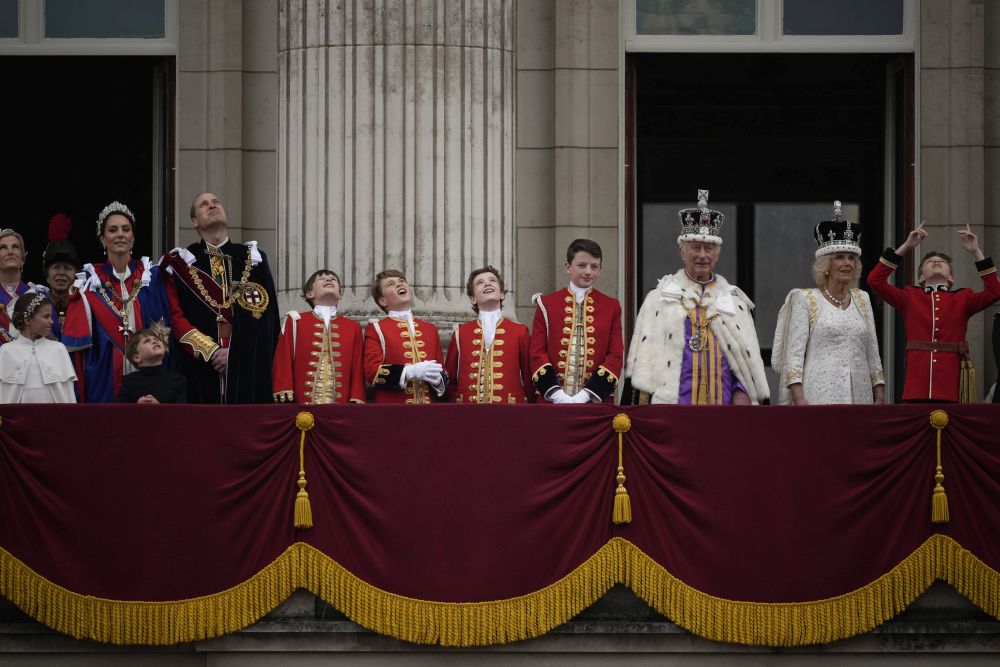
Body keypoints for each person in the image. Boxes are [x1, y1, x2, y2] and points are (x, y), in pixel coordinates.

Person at [622, 190, 769, 405]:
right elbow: (643, 363)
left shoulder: (735, 303)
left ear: (717, 254)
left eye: (708, 248)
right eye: (695, 248)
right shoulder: (658, 299)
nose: (702, 255)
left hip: (724, 410)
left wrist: (743, 392)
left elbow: (746, 362)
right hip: (672, 409)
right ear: (682, 252)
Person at [160, 192, 280, 403]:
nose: (212, 205)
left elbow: (267, 319)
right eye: (203, 204)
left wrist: (235, 354)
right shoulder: (182, 263)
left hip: (247, 369)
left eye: (216, 202)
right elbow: (175, 317)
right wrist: (212, 352)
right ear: (194, 221)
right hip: (200, 369)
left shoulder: (253, 258)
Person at [867, 220, 1000, 403]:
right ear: (921, 277)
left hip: (951, 387)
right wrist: (906, 247)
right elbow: (875, 281)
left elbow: (995, 291)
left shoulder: (964, 298)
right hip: (916, 388)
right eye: (930, 261)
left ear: (951, 277)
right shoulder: (909, 297)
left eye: (942, 262)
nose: (937, 261)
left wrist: (976, 252)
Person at [62, 202, 178, 403]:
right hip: (105, 374)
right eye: (112, 230)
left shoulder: (152, 277)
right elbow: (78, 350)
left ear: (133, 238)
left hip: (149, 373)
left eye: (126, 229)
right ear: (103, 239)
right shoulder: (90, 284)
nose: (120, 234)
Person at [772, 202, 885, 405]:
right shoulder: (805, 299)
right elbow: (794, 356)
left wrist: (879, 392)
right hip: (818, 396)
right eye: (840, 257)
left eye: (851, 258)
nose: (847, 263)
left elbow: (872, 350)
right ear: (825, 265)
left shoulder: (862, 299)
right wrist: (799, 399)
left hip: (860, 397)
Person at [529, 239, 623, 404]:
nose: (588, 272)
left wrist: (587, 395)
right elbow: (537, 353)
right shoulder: (546, 304)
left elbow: (615, 355)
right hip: (551, 401)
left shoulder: (611, 306)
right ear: (568, 267)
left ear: (600, 270)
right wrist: (556, 394)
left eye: (594, 267)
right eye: (582, 265)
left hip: (595, 402)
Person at [272, 269, 365, 404]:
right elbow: (283, 357)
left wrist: (357, 396)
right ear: (310, 294)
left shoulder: (353, 327)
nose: (329, 280)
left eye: (333, 279)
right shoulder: (295, 320)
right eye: (322, 279)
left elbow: (357, 367)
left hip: (341, 405)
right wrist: (283, 389)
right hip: (301, 404)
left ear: (340, 294)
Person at [445, 266, 534, 404]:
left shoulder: (520, 331)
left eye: (492, 280)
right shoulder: (460, 333)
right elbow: (450, 379)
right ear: (473, 299)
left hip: (510, 413)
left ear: (502, 294)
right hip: (466, 413)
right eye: (479, 283)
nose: (487, 283)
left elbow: (529, 377)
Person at [363, 269, 446, 403]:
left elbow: (442, 370)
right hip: (393, 412)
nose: (399, 284)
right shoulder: (376, 328)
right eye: (391, 284)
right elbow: (372, 372)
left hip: (429, 412)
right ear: (383, 300)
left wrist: (438, 381)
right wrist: (409, 371)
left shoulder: (430, 329)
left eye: (402, 281)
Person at [0, 290, 76, 403]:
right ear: (28, 320)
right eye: (46, 316)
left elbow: (67, 394)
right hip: (19, 418)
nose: (51, 321)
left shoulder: (58, 349)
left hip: (52, 417)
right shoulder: (6, 351)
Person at [115, 327, 187, 404]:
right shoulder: (128, 381)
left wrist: (159, 408)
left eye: (157, 339)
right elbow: (120, 412)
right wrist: (136, 406)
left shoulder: (178, 381)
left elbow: (182, 414)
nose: (154, 341)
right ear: (137, 357)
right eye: (147, 341)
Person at [42, 213, 82, 340]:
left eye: (67, 268)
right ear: (47, 276)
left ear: (76, 275)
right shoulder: (37, 304)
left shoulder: (85, 304)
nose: (61, 273)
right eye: (56, 267)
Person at [0, 228, 31, 345]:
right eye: (3, 247)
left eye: (15, 247)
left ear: (22, 259)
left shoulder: (38, 296)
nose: (10, 252)